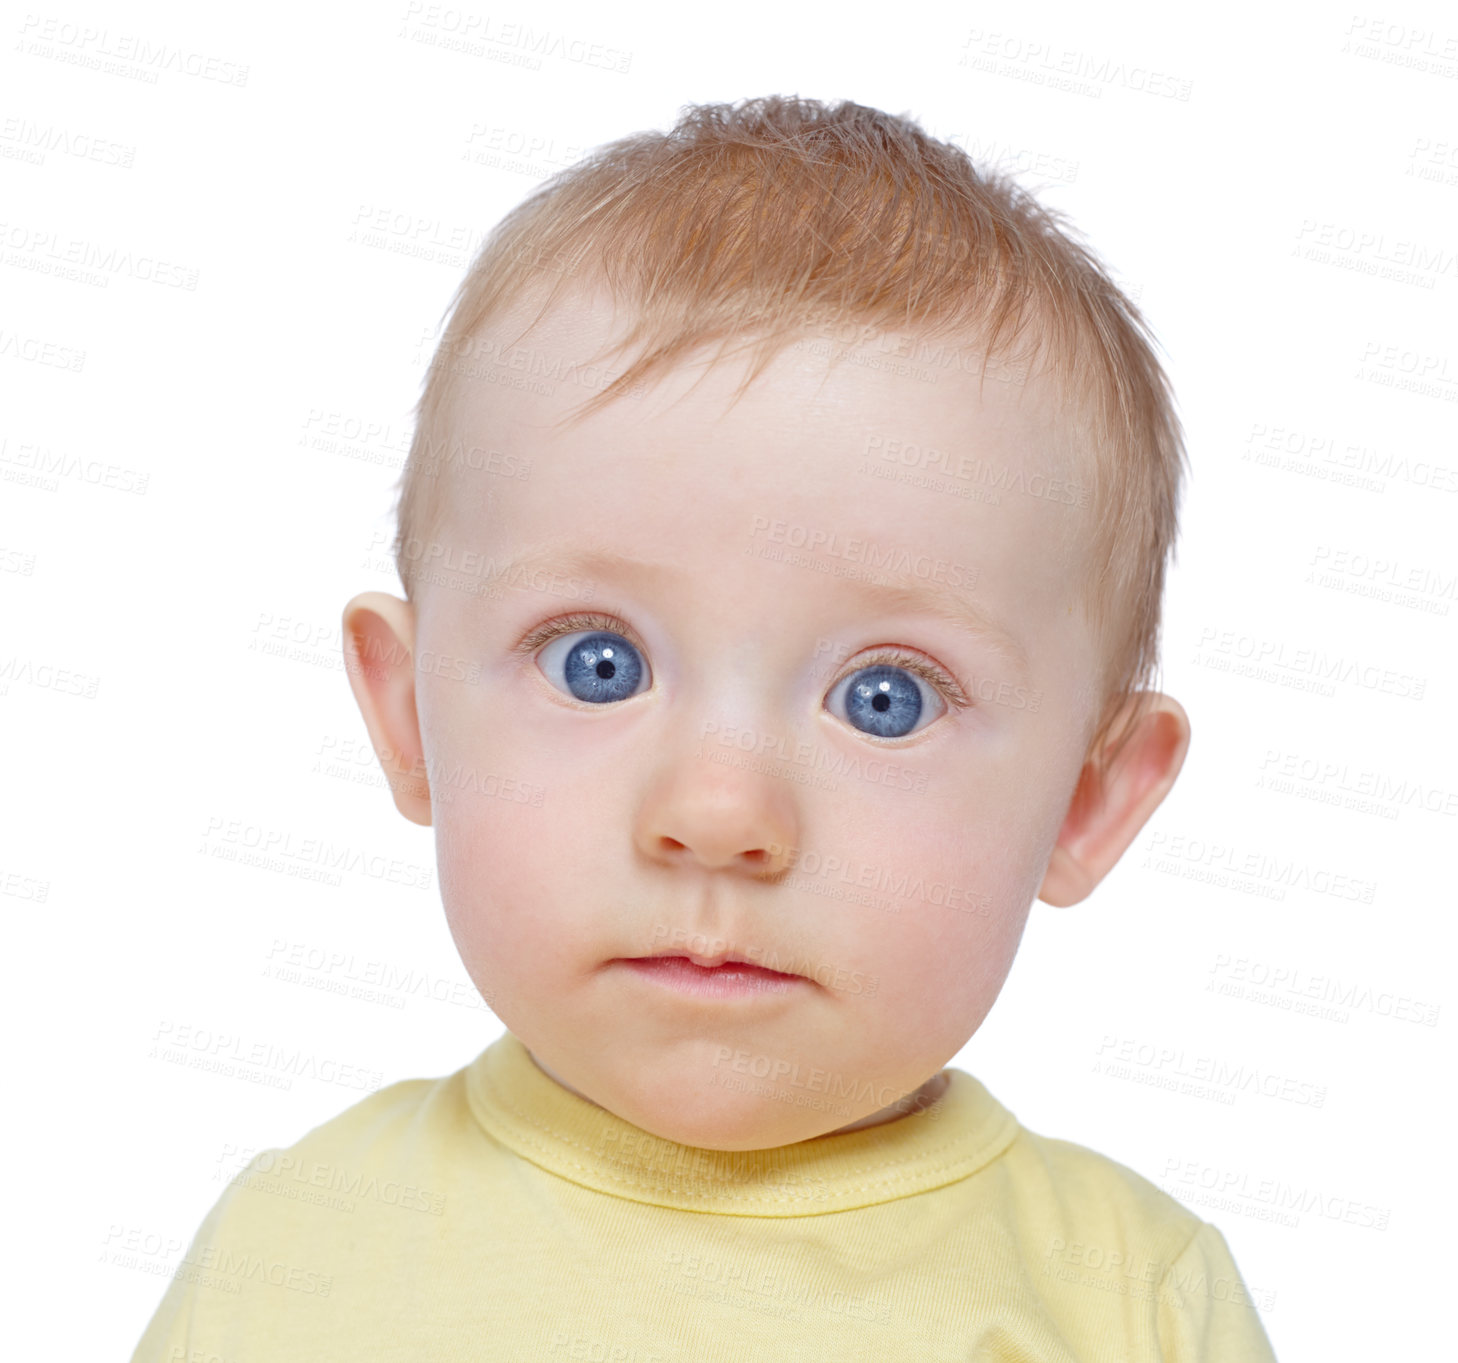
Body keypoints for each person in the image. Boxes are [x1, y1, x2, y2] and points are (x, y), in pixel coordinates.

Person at [131, 94, 1278, 1360]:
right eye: (599, 664)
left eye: (883, 698)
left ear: (1087, 796)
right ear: (410, 717)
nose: (720, 815)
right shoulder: (300, 1252)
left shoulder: (1125, 1299)